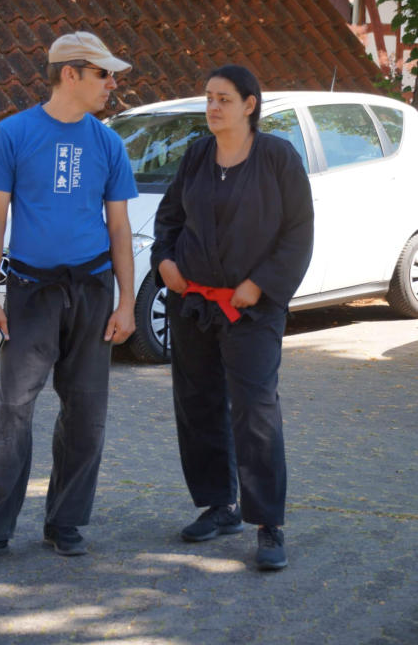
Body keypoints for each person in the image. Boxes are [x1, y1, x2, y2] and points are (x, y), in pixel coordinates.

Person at [0, 32, 137, 567]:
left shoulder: (108, 143)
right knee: (14, 411)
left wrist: (127, 302)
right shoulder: (14, 133)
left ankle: (65, 522)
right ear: (70, 74)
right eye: (103, 74)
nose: (112, 84)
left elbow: (119, 227)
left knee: (86, 412)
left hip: (92, 290)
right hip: (30, 292)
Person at [151, 65, 314, 570]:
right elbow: (169, 218)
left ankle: (268, 524)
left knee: (255, 410)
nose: (213, 107)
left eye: (223, 98)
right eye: (208, 98)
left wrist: (260, 284)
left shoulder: (277, 158)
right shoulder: (197, 156)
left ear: (249, 105)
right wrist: (165, 262)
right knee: (197, 403)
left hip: (252, 310)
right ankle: (219, 506)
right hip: (193, 304)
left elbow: (299, 232)